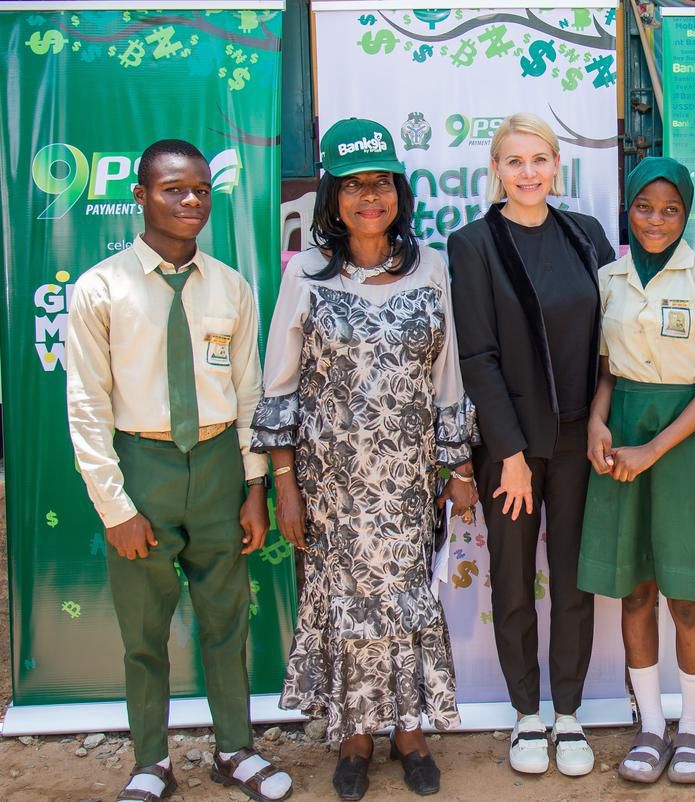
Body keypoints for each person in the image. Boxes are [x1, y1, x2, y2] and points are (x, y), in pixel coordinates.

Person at [251, 117, 478, 802]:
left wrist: (459, 468)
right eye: (352, 186)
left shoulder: (430, 265)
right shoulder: (308, 273)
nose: (368, 197)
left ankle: (409, 732)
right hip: (333, 487)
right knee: (348, 605)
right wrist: (285, 486)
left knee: (406, 600)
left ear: (398, 193)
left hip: (407, 483)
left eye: (380, 183)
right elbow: (279, 385)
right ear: (332, 198)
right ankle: (354, 737)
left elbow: (450, 378)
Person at [66, 139, 292, 802]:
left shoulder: (230, 286)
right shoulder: (101, 288)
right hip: (143, 466)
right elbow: (86, 405)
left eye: (200, 189)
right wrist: (116, 507)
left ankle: (235, 750)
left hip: (220, 461)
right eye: (173, 189)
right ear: (140, 196)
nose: (191, 201)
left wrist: (254, 490)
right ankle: (150, 761)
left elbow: (250, 392)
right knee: (144, 629)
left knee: (226, 617)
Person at [448, 112, 617, 777]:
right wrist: (510, 455)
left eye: (540, 159)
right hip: (510, 448)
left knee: (575, 579)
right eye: (514, 162)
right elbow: (478, 356)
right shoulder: (473, 244)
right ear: (495, 169)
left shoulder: (587, 235)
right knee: (515, 581)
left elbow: (618, 326)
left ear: (557, 166)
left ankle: (569, 712)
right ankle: (525, 713)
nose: (528, 173)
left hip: (579, 441)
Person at [578, 158, 695, 785]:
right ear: (628, 209)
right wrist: (599, 422)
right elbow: (607, 372)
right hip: (623, 437)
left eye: (669, 209)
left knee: (687, 596)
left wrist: (654, 449)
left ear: (687, 213)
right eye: (644, 207)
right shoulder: (608, 278)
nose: (655, 219)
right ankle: (650, 727)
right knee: (636, 589)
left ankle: (694, 728)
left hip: (687, 444)